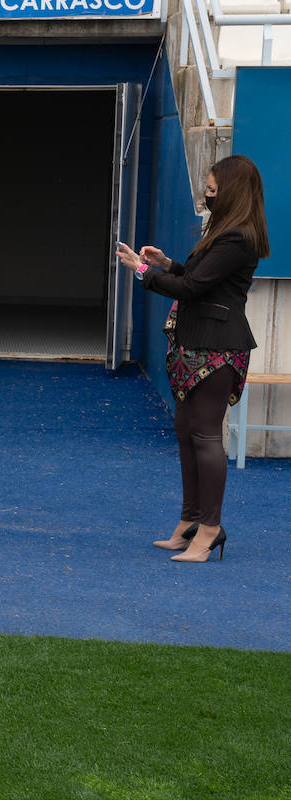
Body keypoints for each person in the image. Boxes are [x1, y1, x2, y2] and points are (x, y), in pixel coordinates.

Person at [117, 154, 268, 564]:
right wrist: (165, 264)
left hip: (217, 346)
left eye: (213, 188)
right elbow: (198, 278)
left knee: (204, 434)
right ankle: (189, 522)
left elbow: (195, 289)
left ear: (231, 191)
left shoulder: (238, 236)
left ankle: (210, 528)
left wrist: (141, 271)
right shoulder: (223, 231)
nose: (206, 193)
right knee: (186, 429)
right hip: (194, 342)